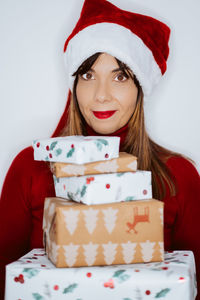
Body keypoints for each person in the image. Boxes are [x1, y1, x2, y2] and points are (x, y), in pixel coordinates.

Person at [0, 0, 199, 298]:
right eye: (88, 75)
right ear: (75, 86)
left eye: (120, 77)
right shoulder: (30, 166)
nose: (101, 95)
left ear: (140, 88)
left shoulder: (178, 176)